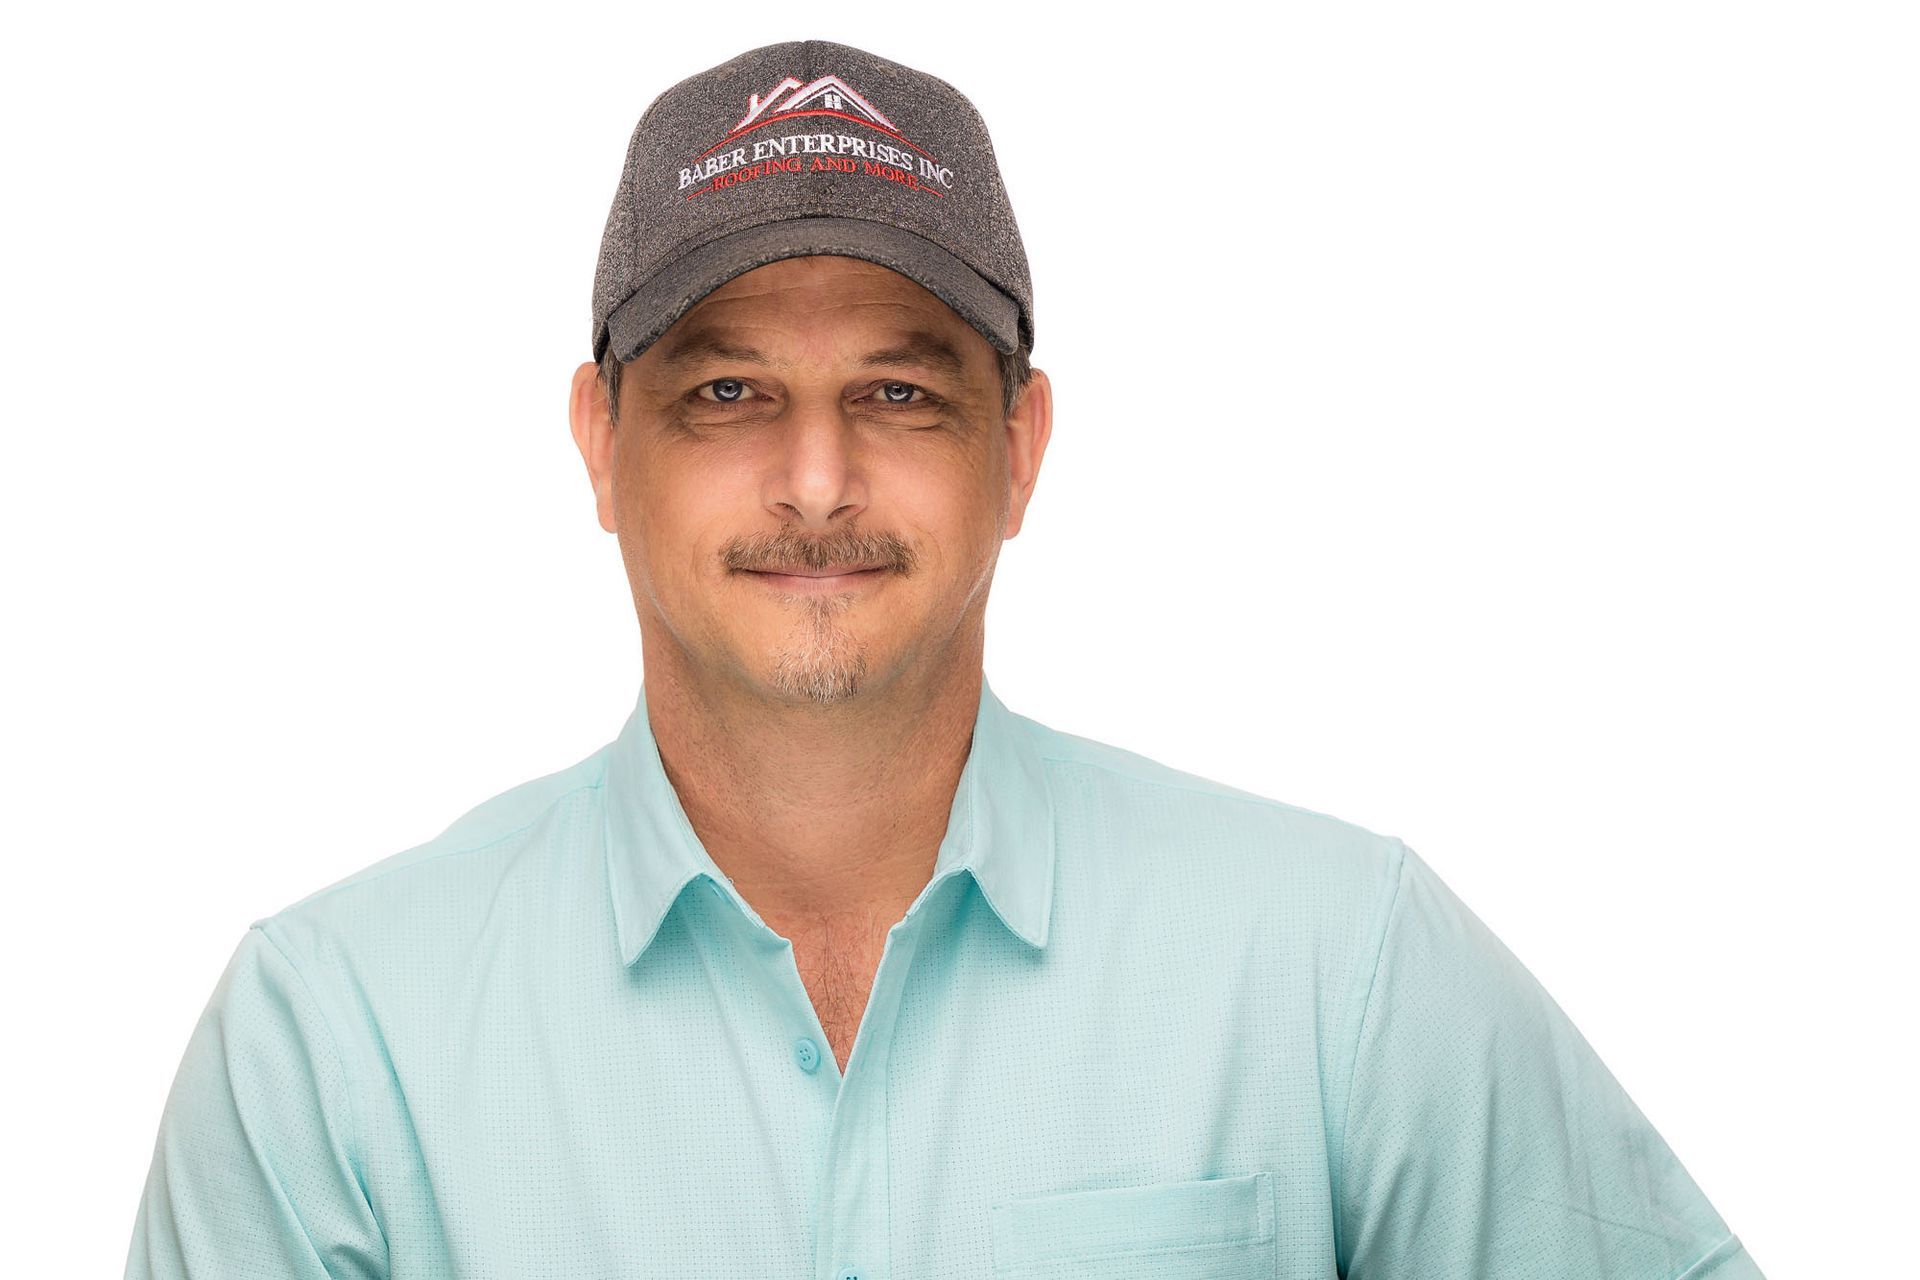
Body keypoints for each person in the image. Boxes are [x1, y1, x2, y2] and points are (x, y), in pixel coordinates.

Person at [121, 38, 1764, 1280]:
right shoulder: (335, 1043)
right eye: (725, 392)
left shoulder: (1338, 971)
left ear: (1022, 447)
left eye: (900, 393)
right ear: (600, 445)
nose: (818, 480)